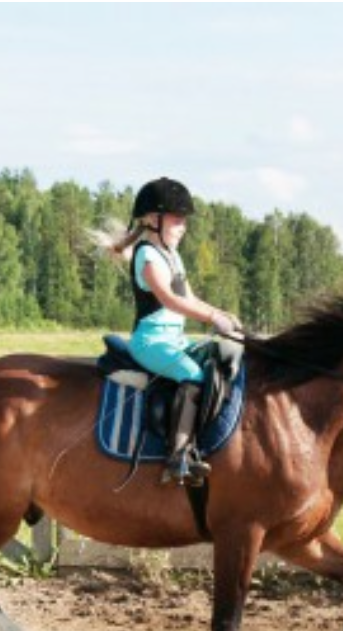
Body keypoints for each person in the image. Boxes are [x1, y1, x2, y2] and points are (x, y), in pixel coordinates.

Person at [96, 177, 243, 485]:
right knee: (193, 375)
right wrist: (212, 319)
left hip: (175, 340)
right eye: (177, 219)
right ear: (153, 219)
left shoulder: (172, 256)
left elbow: (188, 298)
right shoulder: (147, 256)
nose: (183, 226)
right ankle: (178, 456)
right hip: (150, 343)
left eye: (183, 220)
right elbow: (170, 300)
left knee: (216, 362)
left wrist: (220, 313)